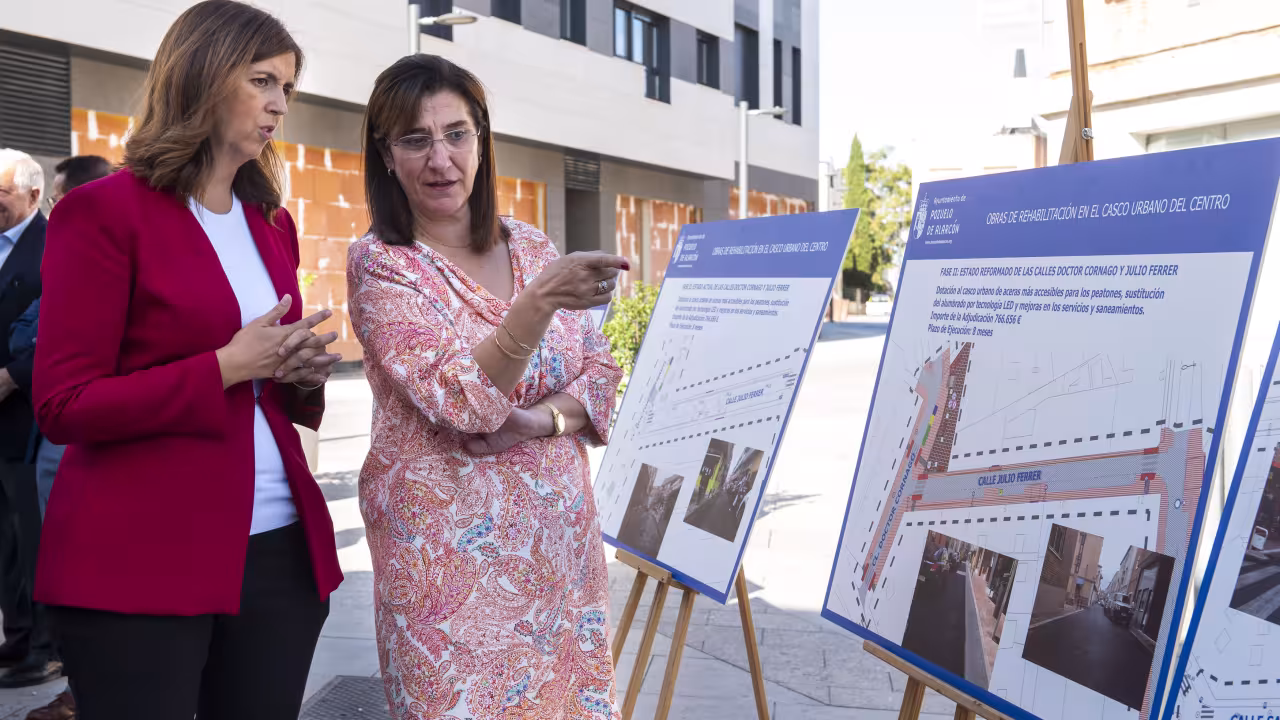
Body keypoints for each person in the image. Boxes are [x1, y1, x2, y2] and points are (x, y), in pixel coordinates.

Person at [33, 2, 344, 718]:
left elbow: (264, 382)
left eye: (288, 89)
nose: (278, 105)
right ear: (201, 75)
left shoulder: (272, 222)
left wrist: (297, 371)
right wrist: (225, 367)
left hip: (278, 553)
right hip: (141, 557)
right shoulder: (104, 213)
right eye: (262, 81)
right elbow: (63, 404)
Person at [347, 54, 627, 719]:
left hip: (560, 559)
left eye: (457, 133)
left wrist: (537, 423)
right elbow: (464, 402)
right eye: (415, 139)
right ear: (387, 154)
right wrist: (539, 304)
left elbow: (603, 374)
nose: (440, 157)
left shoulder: (530, 244)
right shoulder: (384, 265)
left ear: (482, 141)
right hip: (449, 575)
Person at [8, 154, 113, 720]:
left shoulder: (98, 252)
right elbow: (30, 331)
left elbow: (34, 340)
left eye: (59, 197)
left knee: (86, 570)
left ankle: (82, 691)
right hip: (52, 439)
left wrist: (20, 361)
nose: (54, 209)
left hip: (87, 441)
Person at [0, 148, 59, 689]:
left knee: (31, 536)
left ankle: (42, 650)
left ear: (33, 195)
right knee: (2, 543)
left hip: (28, 416)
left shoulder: (54, 244)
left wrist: (15, 374)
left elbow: (66, 324)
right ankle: (15, 637)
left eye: (1, 193)